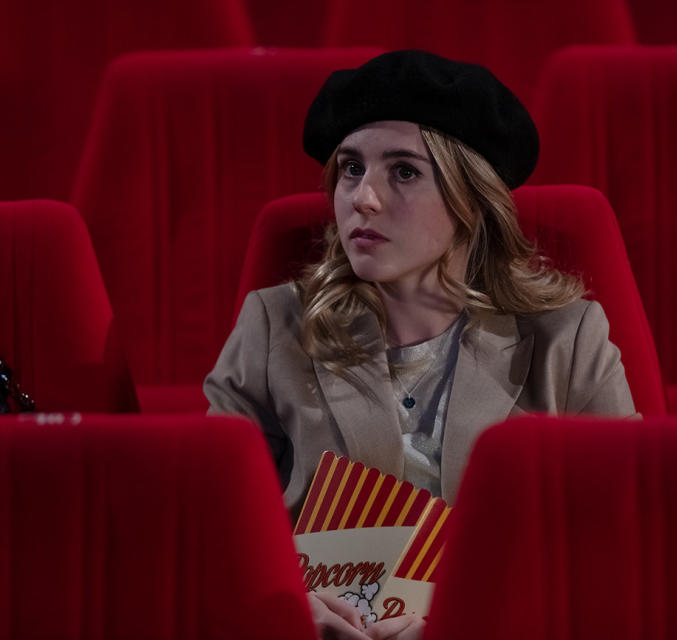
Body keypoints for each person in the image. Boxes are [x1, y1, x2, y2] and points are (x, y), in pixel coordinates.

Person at [204, 50, 637, 640]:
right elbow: (212, 532)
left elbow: (623, 541)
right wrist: (286, 606)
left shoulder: (568, 338)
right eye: (351, 169)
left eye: (403, 172)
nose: (363, 198)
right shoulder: (273, 327)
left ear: (471, 202)